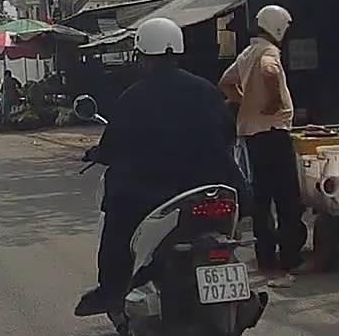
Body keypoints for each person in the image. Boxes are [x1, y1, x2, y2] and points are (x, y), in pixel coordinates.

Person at [75, 17, 241, 317]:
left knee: (116, 225)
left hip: (151, 194)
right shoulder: (207, 91)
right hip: (211, 188)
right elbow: (229, 134)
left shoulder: (133, 97)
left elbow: (113, 145)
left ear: (142, 56)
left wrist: (99, 153)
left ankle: (112, 291)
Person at [219, 4, 306, 288]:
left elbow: (225, 82)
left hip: (253, 136)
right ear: (278, 27)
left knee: (262, 198)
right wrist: (273, 101)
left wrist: (245, 101)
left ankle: (266, 257)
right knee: (288, 199)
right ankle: (291, 257)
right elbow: (269, 71)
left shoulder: (247, 53)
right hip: (274, 134)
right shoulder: (269, 52)